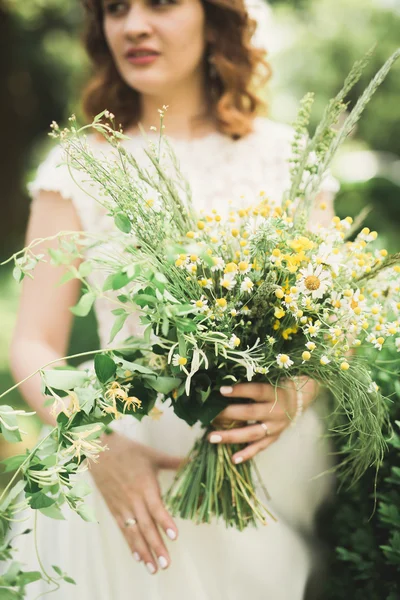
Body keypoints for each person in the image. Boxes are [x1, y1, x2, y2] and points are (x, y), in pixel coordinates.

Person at [10, 0, 339, 598]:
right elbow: (33, 341)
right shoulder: (80, 166)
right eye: (114, 8)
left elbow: (330, 323)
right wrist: (98, 446)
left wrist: (292, 396)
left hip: (264, 462)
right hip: (127, 450)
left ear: (216, 18)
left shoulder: (288, 159)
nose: (133, 24)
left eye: (159, 2)